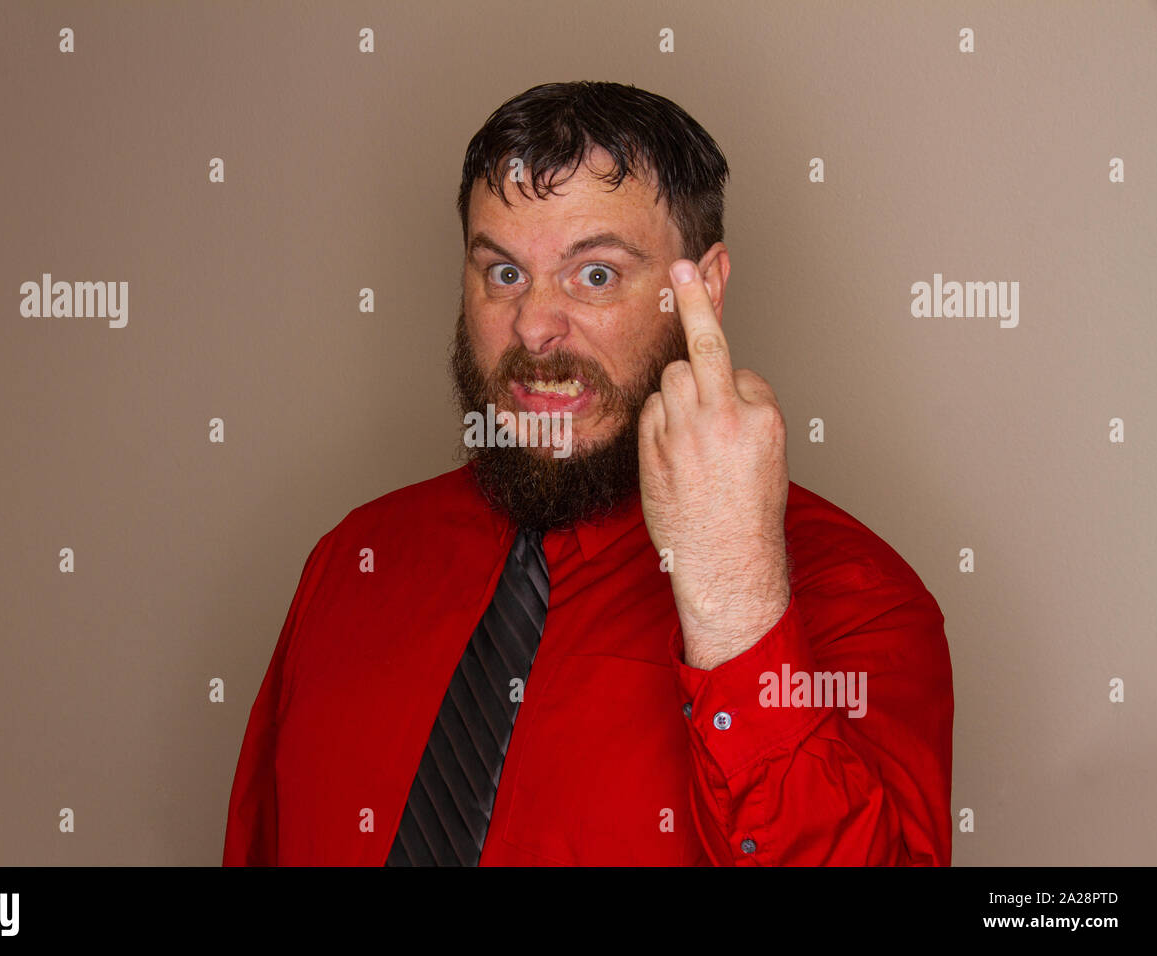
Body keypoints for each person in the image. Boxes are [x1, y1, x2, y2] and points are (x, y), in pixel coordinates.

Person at [223, 81, 953, 866]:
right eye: (503, 274)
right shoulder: (354, 560)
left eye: (595, 274)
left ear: (701, 289)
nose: (535, 326)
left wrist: (735, 607)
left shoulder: (857, 597)